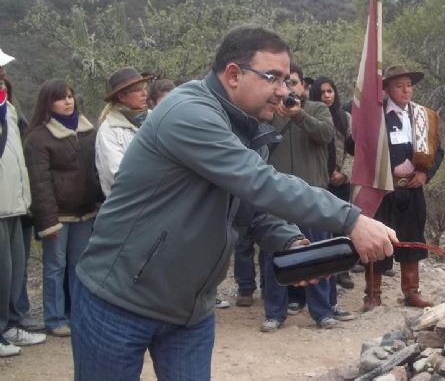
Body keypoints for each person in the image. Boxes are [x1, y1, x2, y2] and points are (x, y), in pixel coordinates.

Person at [71, 25, 397, 380]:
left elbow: (249, 206)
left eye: (287, 80)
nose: (283, 91)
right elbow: (259, 182)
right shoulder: (189, 113)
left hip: (190, 310)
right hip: (119, 300)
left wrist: (291, 241)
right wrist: (351, 219)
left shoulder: (250, 127)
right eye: (273, 78)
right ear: (233, 74)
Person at [260, 64, 353, 332]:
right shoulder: (269, 112)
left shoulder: (317, 109)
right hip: (277, 194)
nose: (290, 88)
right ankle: (274, 313)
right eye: (285, 83)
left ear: (304, 86)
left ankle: (322, 312)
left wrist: (299, 115)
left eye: (295, 83)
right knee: (274, 254)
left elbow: (325, 135)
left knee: (318, 254)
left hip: (313, 196)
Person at [362, 65, 444, 312]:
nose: (406, 90)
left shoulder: (423, 116)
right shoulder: (375, 117)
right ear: (386, 89)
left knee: (412, 238)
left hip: (412, 189)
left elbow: (437, 151)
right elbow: (358, 148)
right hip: (382, 190)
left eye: (409, 85)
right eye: (399, 85)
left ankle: (411, 292)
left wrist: (424, 173)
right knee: (378, 239)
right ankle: (373, 294)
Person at [23, 80, 102, 338]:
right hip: (58, 214)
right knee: (55, 267)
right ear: (48, 102)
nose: (68, 101)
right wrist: (47, 221)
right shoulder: (38, 138)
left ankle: (79, 313)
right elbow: (40, 183)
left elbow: (96, 170)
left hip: (86, 211)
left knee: (81, 266)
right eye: (60, 98)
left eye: (70, 96)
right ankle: (54, 318)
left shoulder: (88, 130)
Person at [1, 49, 46, 357]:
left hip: (15, 202)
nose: (4, 75)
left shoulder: (9, 108)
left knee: (14, 270)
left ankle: (10, 324)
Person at [310, 76, 356, 289]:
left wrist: (343, 173)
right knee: (320, 229)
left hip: (341, 181)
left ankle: (343, 269)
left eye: (330, 91)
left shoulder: (345, 118)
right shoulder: (310, 116)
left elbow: (353, 150)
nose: (327, 96)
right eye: (322, 92)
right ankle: (322, 271)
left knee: (341, 226)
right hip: (318, 180)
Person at [95, 67, 151, 197]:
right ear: (121, 96)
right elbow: (116, 175)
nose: (144, 94)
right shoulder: (109, 130)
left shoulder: (154, 118)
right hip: (129, 205)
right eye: (138, 90)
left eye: (145, 88)